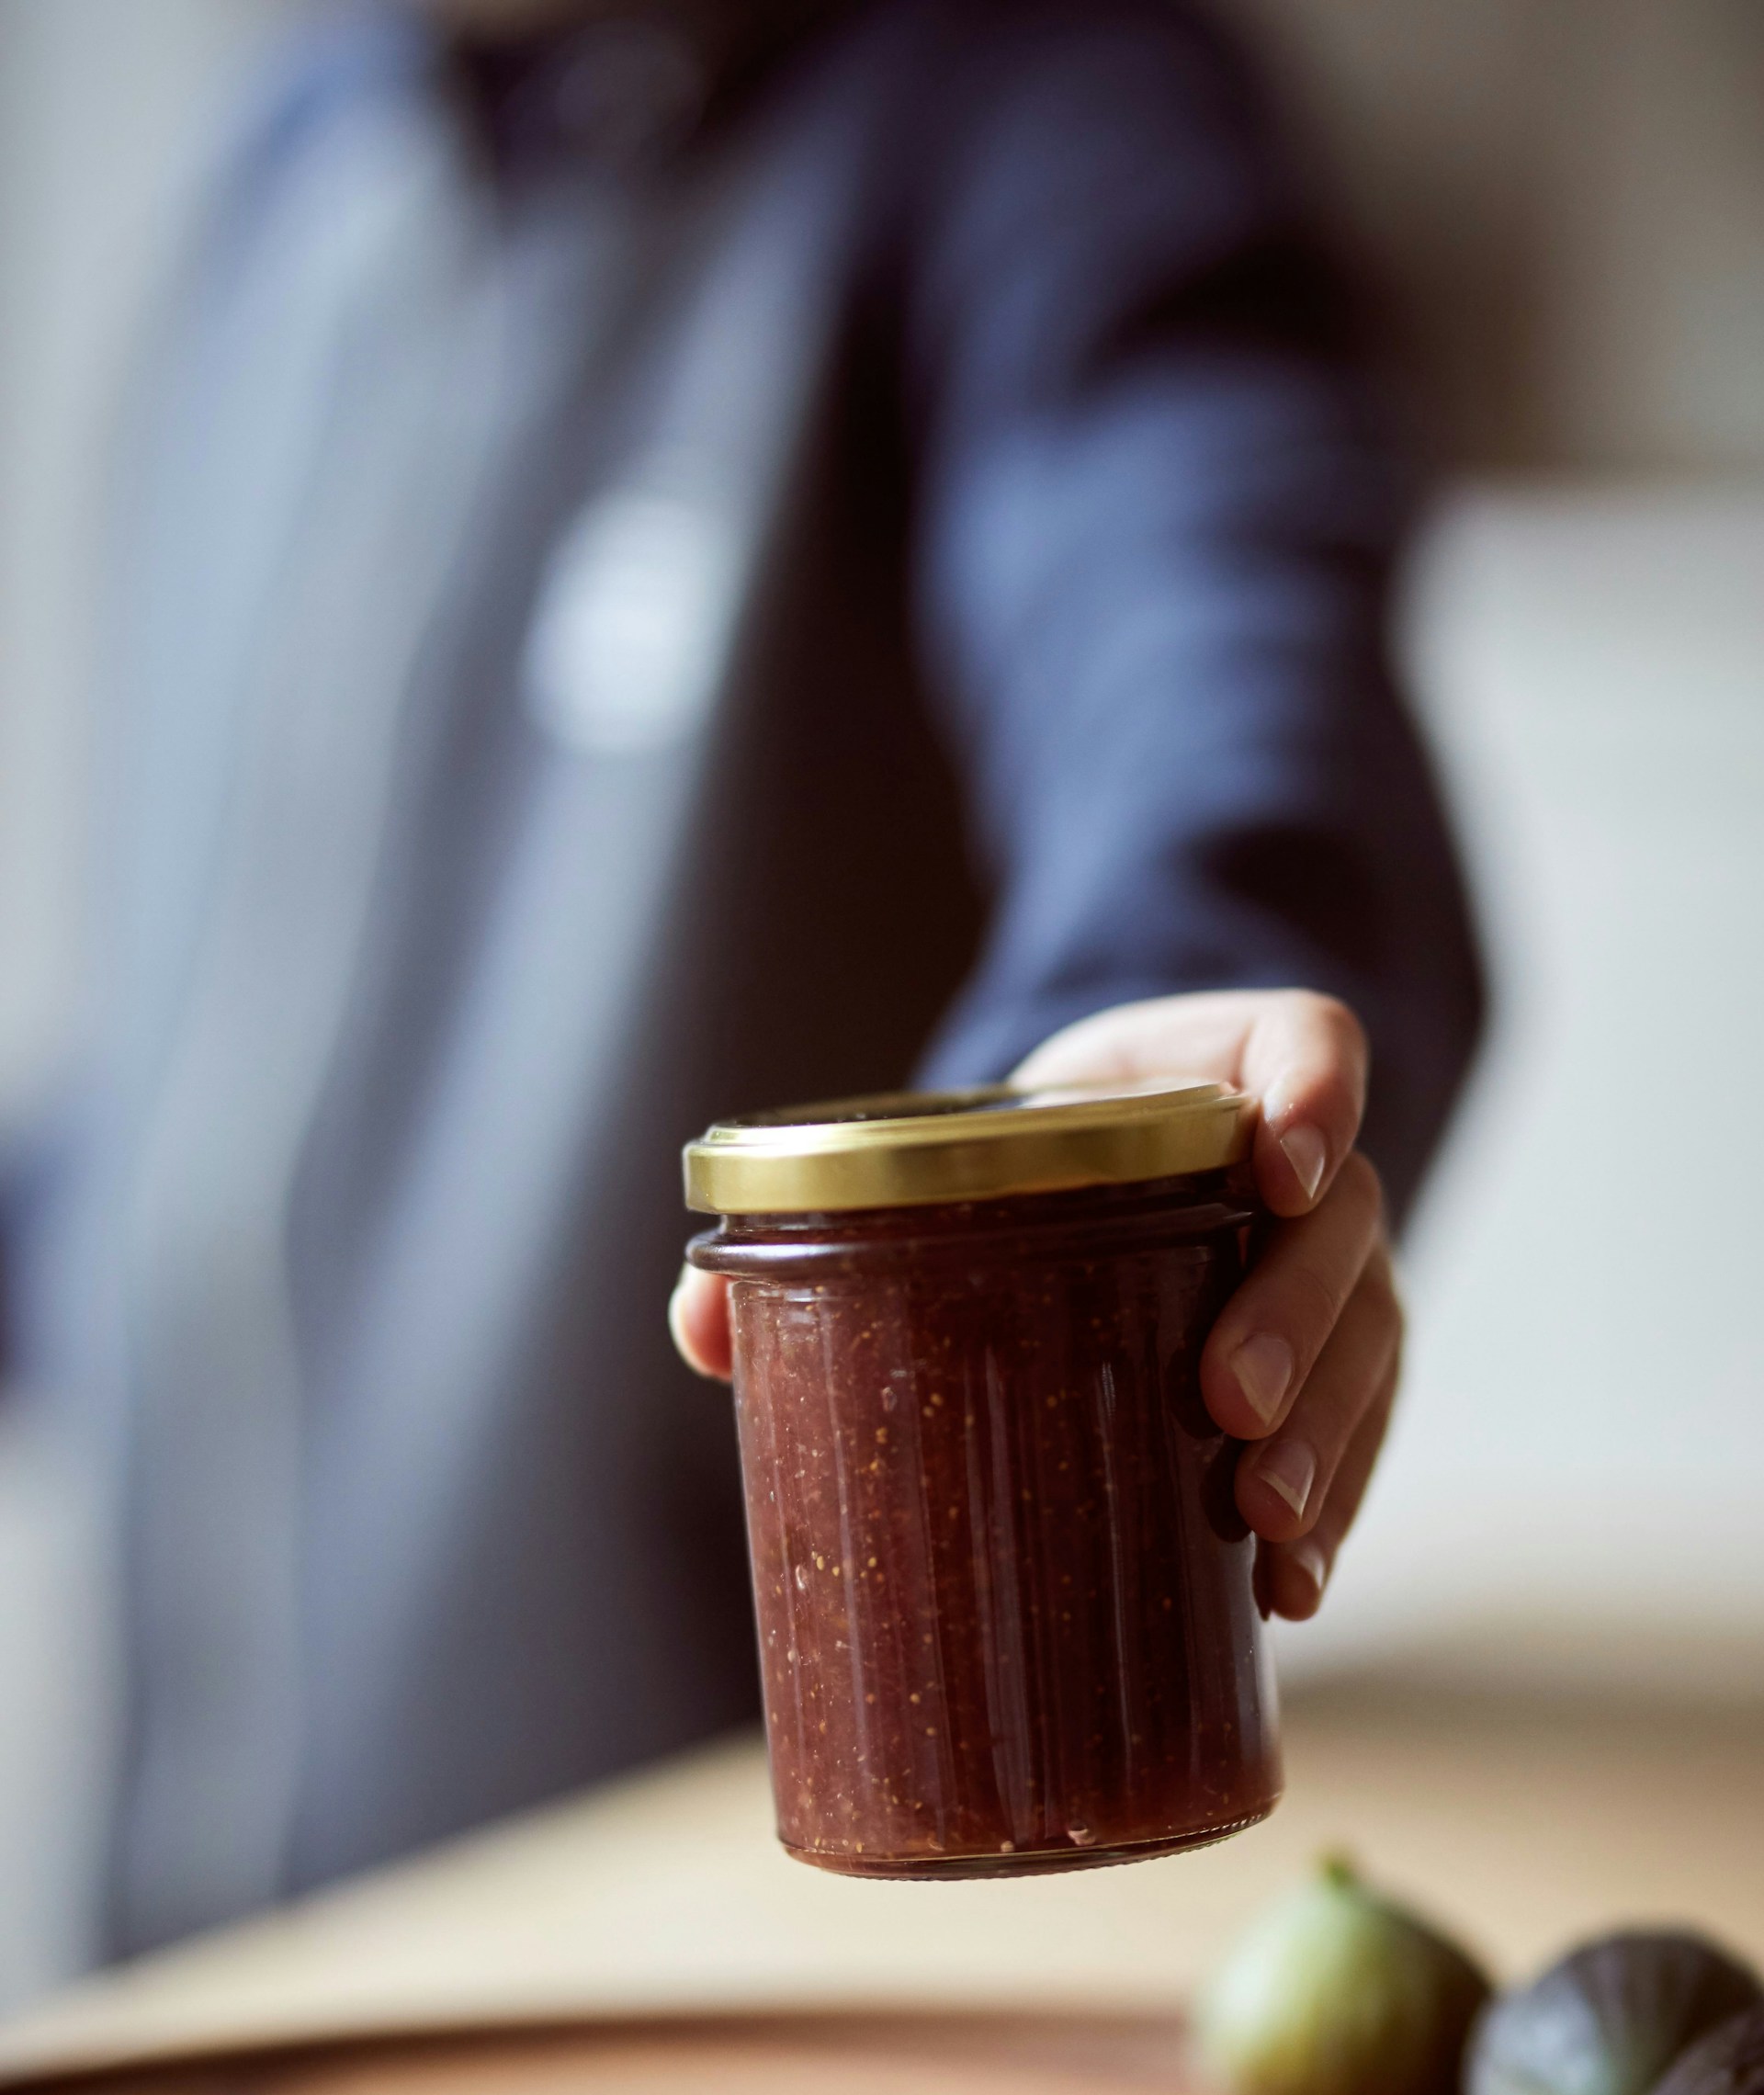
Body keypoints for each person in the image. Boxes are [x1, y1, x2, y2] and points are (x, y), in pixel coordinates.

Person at [5, 0, 1482, 1959]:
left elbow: (1213, 626)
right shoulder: (286, 162)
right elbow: (231, 1124)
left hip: (758, 1986)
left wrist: (1166, 1014)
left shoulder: (1043, 112)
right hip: (187, 1973)